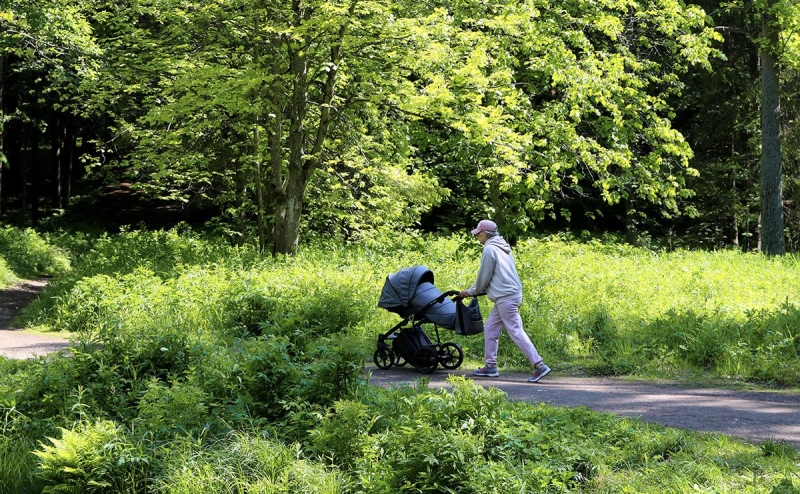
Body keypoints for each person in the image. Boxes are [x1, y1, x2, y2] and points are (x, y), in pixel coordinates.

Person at [459, 219, 551, 383]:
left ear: (485, 234)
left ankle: (539, 365)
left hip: (506, 297)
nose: (477, 236)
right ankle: (490, 366)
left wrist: (470, 292)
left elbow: (484, 276)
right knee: (490, 328)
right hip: (510, 294)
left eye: (478, 233)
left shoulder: (489, 249)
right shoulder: (503, 247)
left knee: (516, 331)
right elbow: (499, 274)